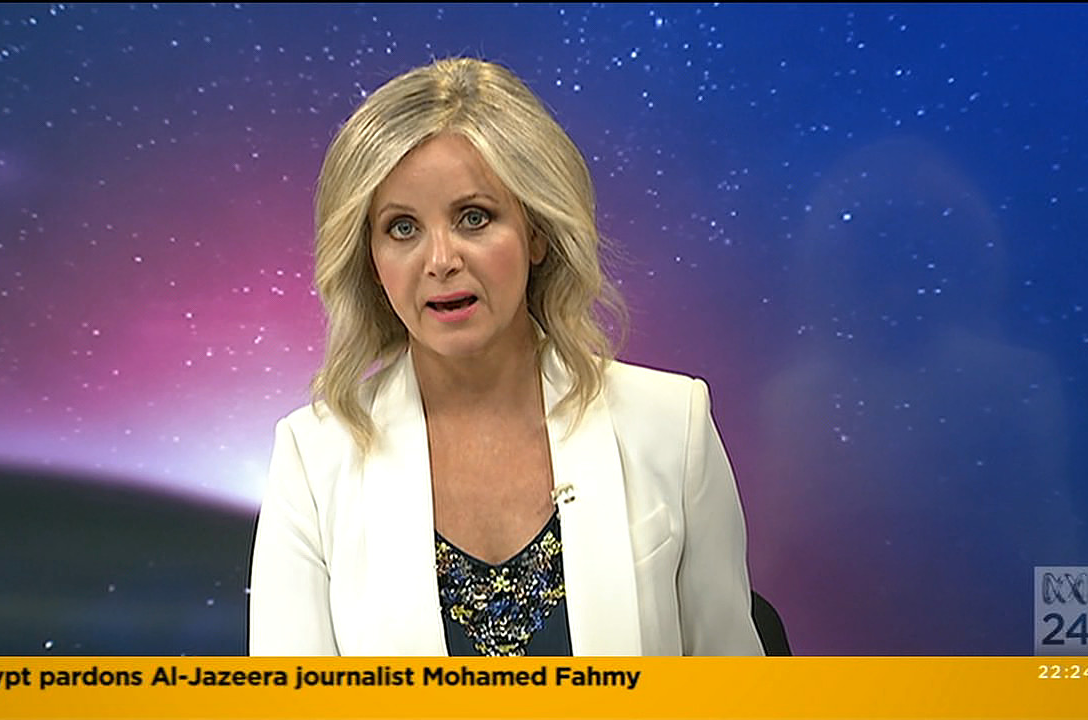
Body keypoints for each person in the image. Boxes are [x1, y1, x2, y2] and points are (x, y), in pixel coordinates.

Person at [248, 57, 762, 656]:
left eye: (474, 218)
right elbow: (293, 696)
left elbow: (736, 691)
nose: (441, 261)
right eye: (402, 228)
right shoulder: (313, 459)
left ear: (536, 231)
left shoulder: (671, 425)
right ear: (370, 258)